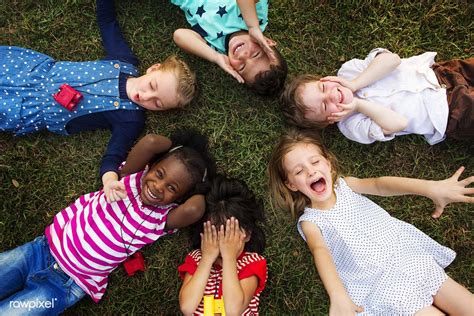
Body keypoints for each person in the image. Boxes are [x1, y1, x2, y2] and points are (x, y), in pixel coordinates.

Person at [0, 130, 216, 315]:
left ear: (178, 198)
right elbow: (151, 142)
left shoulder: (162, 219)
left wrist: (204, 186)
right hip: (39, 251)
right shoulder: (129, 179)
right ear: (151, 166)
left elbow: (195, 208)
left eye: (172, 188)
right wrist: (176, 147)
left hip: (67, 284)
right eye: (159, 173)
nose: (159, 186)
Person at [0, 0, 198, 198]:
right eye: (152, 86)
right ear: (153, 69)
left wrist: (110, 180)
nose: (145, 96)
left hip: (30, 108)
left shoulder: (130, 118)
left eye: (157, 103)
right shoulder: (123, 61)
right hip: (29, 71)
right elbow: (108, 23)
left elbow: (114, 154)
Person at [267, 128, 474, 315]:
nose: (311, 171)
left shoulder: (345, 186)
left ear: (328, 163)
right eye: (299, 171)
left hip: (409, 258)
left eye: (314, 162)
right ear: (291, 185)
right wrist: (337, 294)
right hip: (382, 286)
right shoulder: (310, 222)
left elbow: (380, 185)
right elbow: (320, 251)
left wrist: (430, 188)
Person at [281, 48, 473, 144]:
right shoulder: (351, 126)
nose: (331, 95)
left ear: (324, 79)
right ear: (328, 121)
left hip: (442, 73)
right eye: (324, 106)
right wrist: (358, 106)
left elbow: (392, 59)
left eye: (323, 88)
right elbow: (399, 124)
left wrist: (356, 83)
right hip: (449, 113)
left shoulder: (349, 71)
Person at [178, 176, 267, 315]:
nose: (223, 242)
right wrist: (206, 259)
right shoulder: (196, 259)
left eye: (229, 233)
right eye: (215, 233)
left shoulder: (252, 262)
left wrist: (229, 258)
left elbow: (234, 311)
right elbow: (187, 308)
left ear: (247, 235)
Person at [171, 0, 287, 96]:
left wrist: (215, 57)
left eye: (241, 67)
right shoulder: (258, 16)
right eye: (255, 54)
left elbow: (179, 35)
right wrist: (253, 26)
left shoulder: (216, 48)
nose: (242, 56)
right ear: (267, 42)